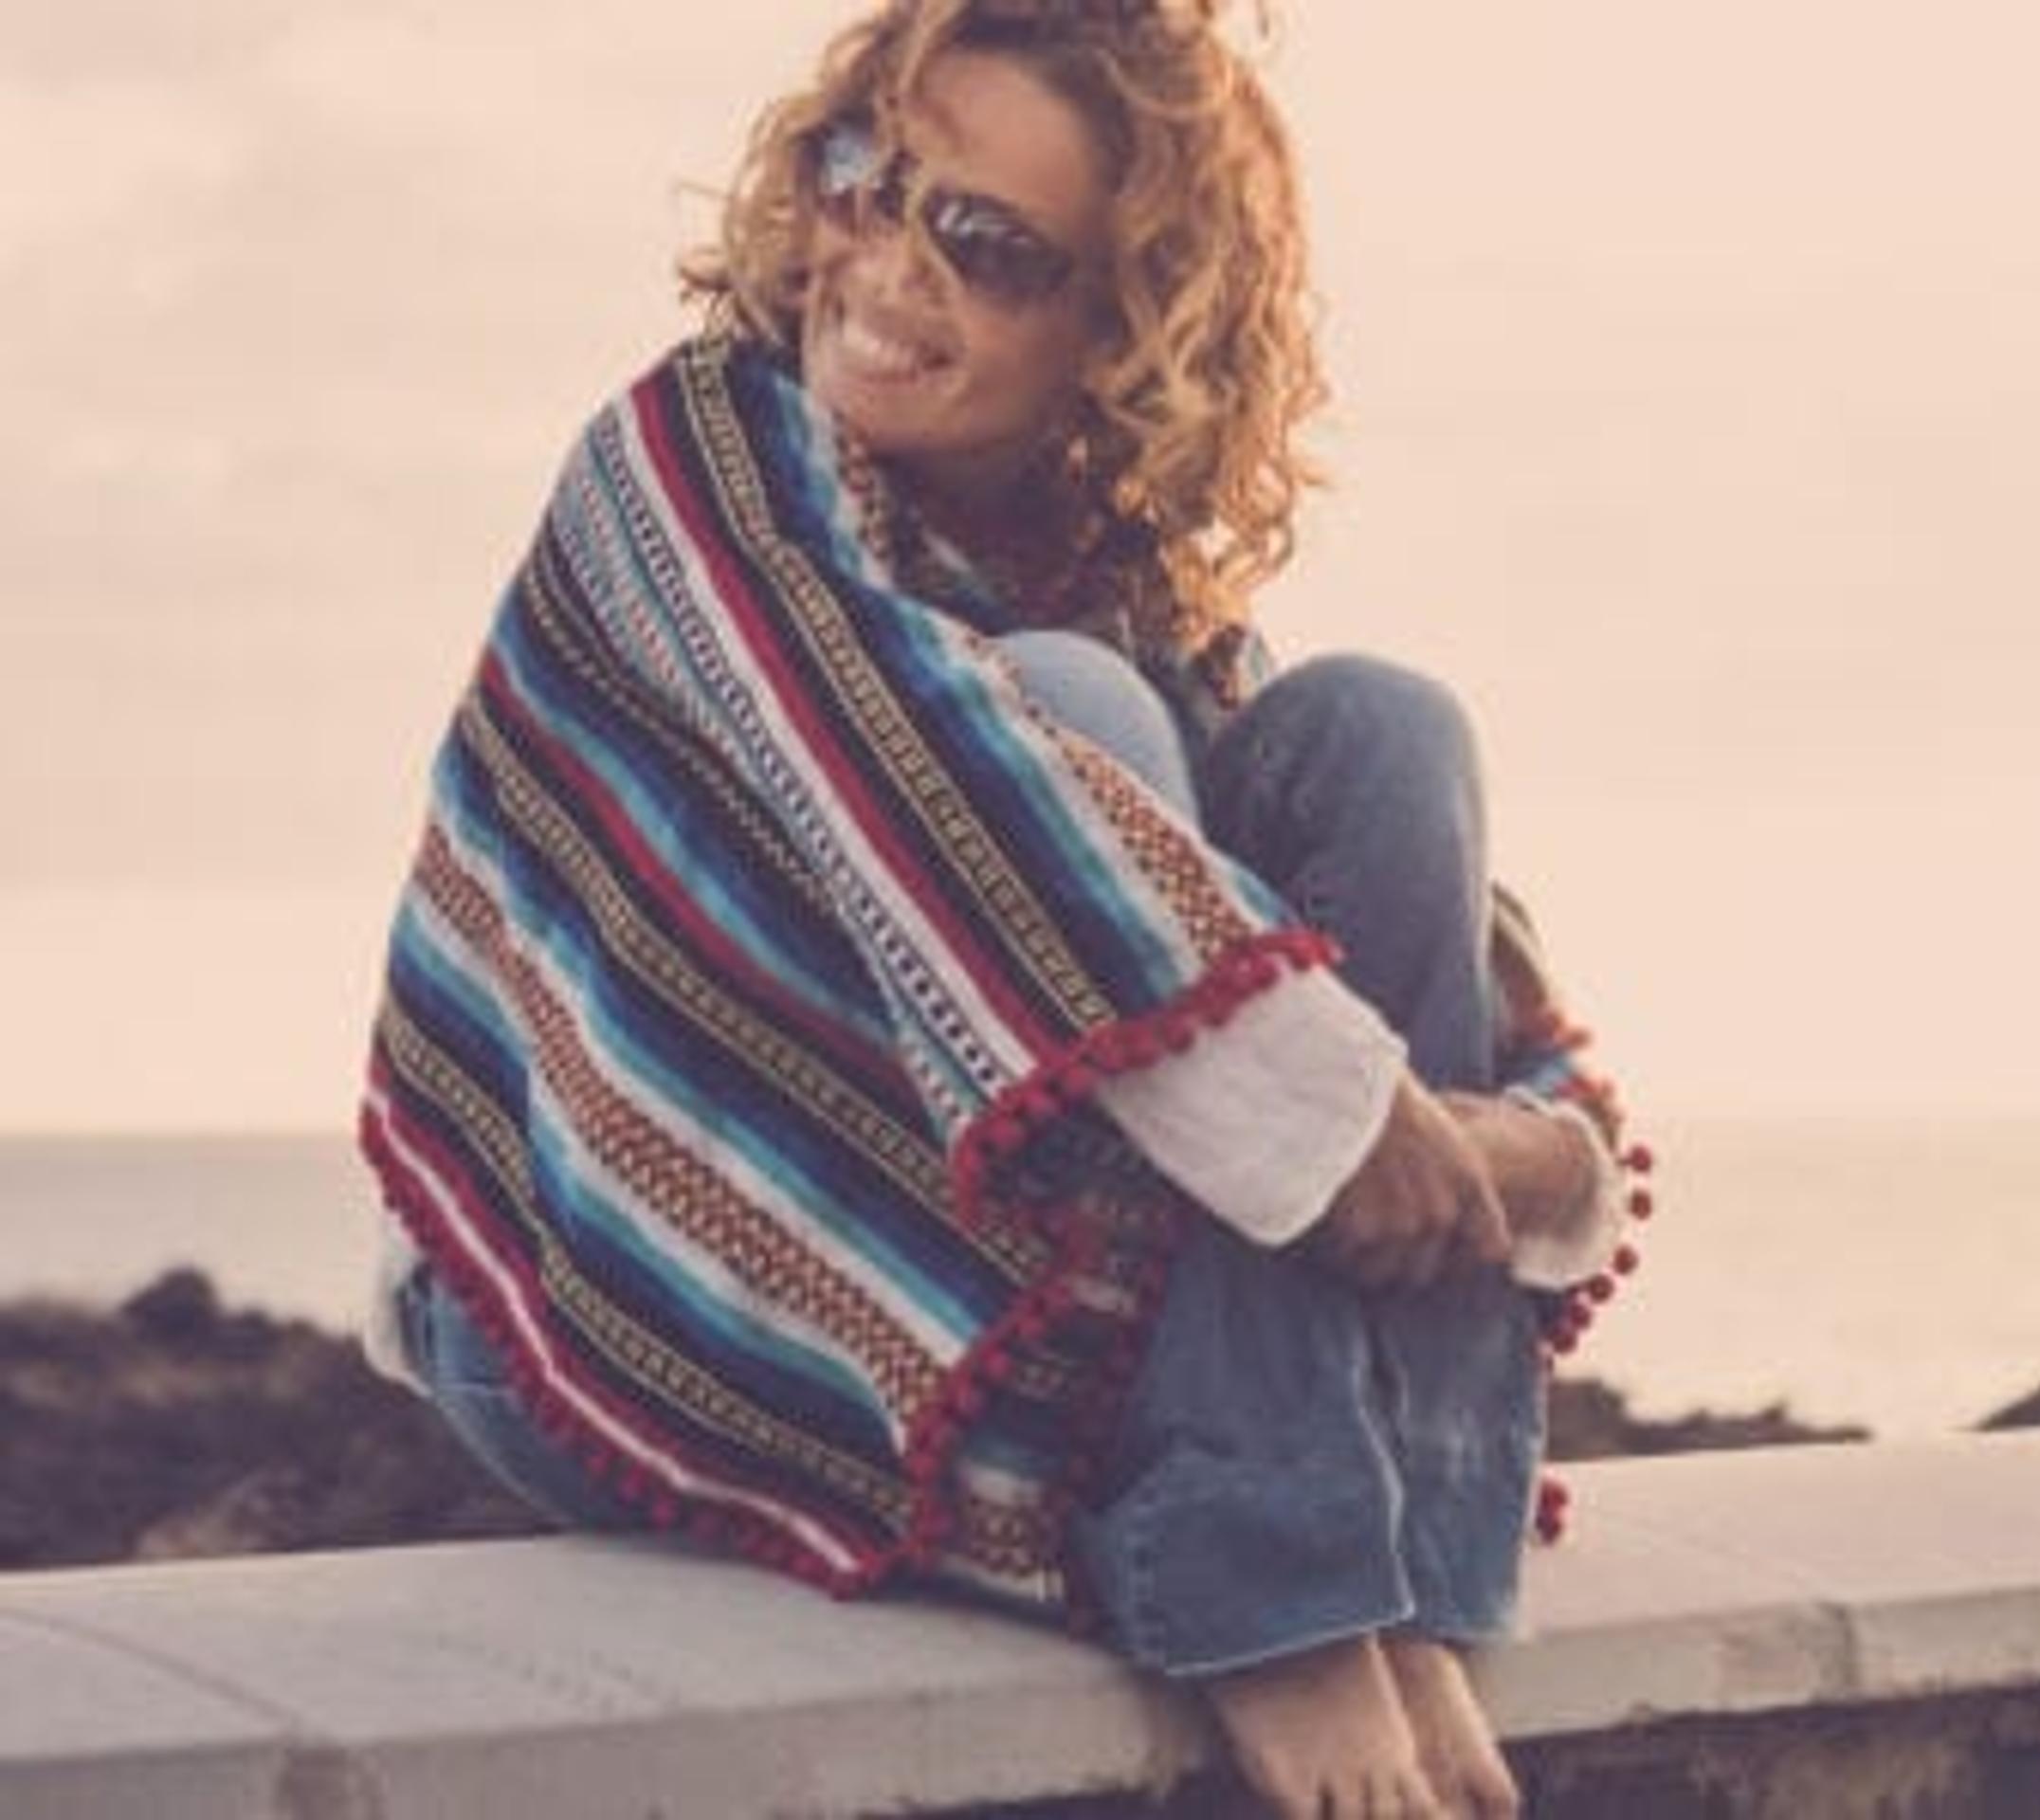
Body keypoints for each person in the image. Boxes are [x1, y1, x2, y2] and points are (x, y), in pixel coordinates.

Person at [354, 3, 1649, 1813]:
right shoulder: (685, 466)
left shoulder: (1124, 592)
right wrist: (1388, 1135)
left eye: (986, 244)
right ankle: (1282, 1601)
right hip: (604, 1295)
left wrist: (1458, 1142)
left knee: (1377, 725)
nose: (884, 263)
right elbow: (962, 812)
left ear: (1118, 331)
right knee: (1079, 749)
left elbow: (1516, 1102)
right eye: (867, 177)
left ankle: (1402, 1559)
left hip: (975, 1317)